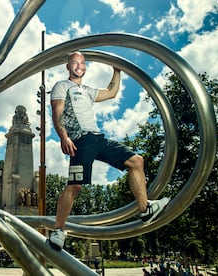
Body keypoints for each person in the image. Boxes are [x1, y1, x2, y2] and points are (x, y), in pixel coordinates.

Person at [48, 51, 169, 250]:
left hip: (98, 138)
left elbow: (111, 92)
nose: (79, 66)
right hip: (80, 140)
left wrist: (117, 69)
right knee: (75, 186)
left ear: (85, 66)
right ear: (68, 66)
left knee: (136, 161)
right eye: (74, 63)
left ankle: (145, 208)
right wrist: (64, 136)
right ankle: (59, 231)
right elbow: (57, 111)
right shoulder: (62, 86)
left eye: (82, 63)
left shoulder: (87, 90)